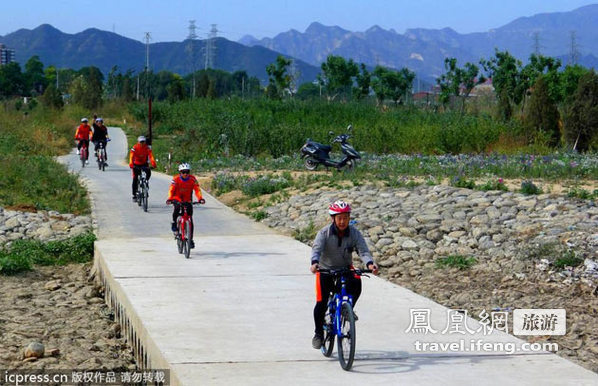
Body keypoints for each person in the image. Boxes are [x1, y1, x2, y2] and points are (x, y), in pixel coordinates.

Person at [309, 200, 379, 349]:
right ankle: (318, 333)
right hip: (325, 270)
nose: (342, 221)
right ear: (333, 218)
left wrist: (370, 264)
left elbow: (363, 251)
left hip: (345, 269)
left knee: (357, 282)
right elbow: (316, 250)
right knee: (321, 303)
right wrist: (314, 263)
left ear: (349, 218)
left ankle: (348, 310)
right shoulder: (324, 233)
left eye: (345, 218)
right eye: (339, 218)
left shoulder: (354, 233)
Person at [166, 163, 205, 249]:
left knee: (190, 218)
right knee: (176, 209)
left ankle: (190, 239)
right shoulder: (175, 179)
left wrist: (200, 198)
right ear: (180, 173)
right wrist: (170, 198)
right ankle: (174, 224)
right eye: (183, 172)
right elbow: (171, 190)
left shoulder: (192, 179)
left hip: (188, 199)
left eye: (187, 172)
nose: (185, 174)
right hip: (177, 198)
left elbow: (197, 190)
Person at [129, 135, 157, 201]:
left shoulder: (147, 148)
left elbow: (151, 156)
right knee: (135, 179)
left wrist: (153, 164)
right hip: (136, 164)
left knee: (148, 173)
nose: (142, 143)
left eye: (143, 142)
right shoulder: (135, 147)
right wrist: (131, 164)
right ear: (138, 142)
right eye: (141, 142)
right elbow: (131, 156)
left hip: (144, 164)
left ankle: (145, 184)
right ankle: (134, 195)